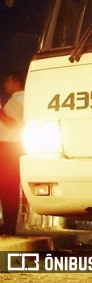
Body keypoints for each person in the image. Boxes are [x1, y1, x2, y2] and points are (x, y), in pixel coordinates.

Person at [0, 70, 26, 235]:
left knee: (7, 188)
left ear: (16, 82)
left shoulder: (18, 101)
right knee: (9, 188)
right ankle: (8, 225)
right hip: (15, 147)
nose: (5, 85)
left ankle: (8, 226)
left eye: (8, 81)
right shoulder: (25, 99)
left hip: (8, 147)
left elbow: (10, 123)